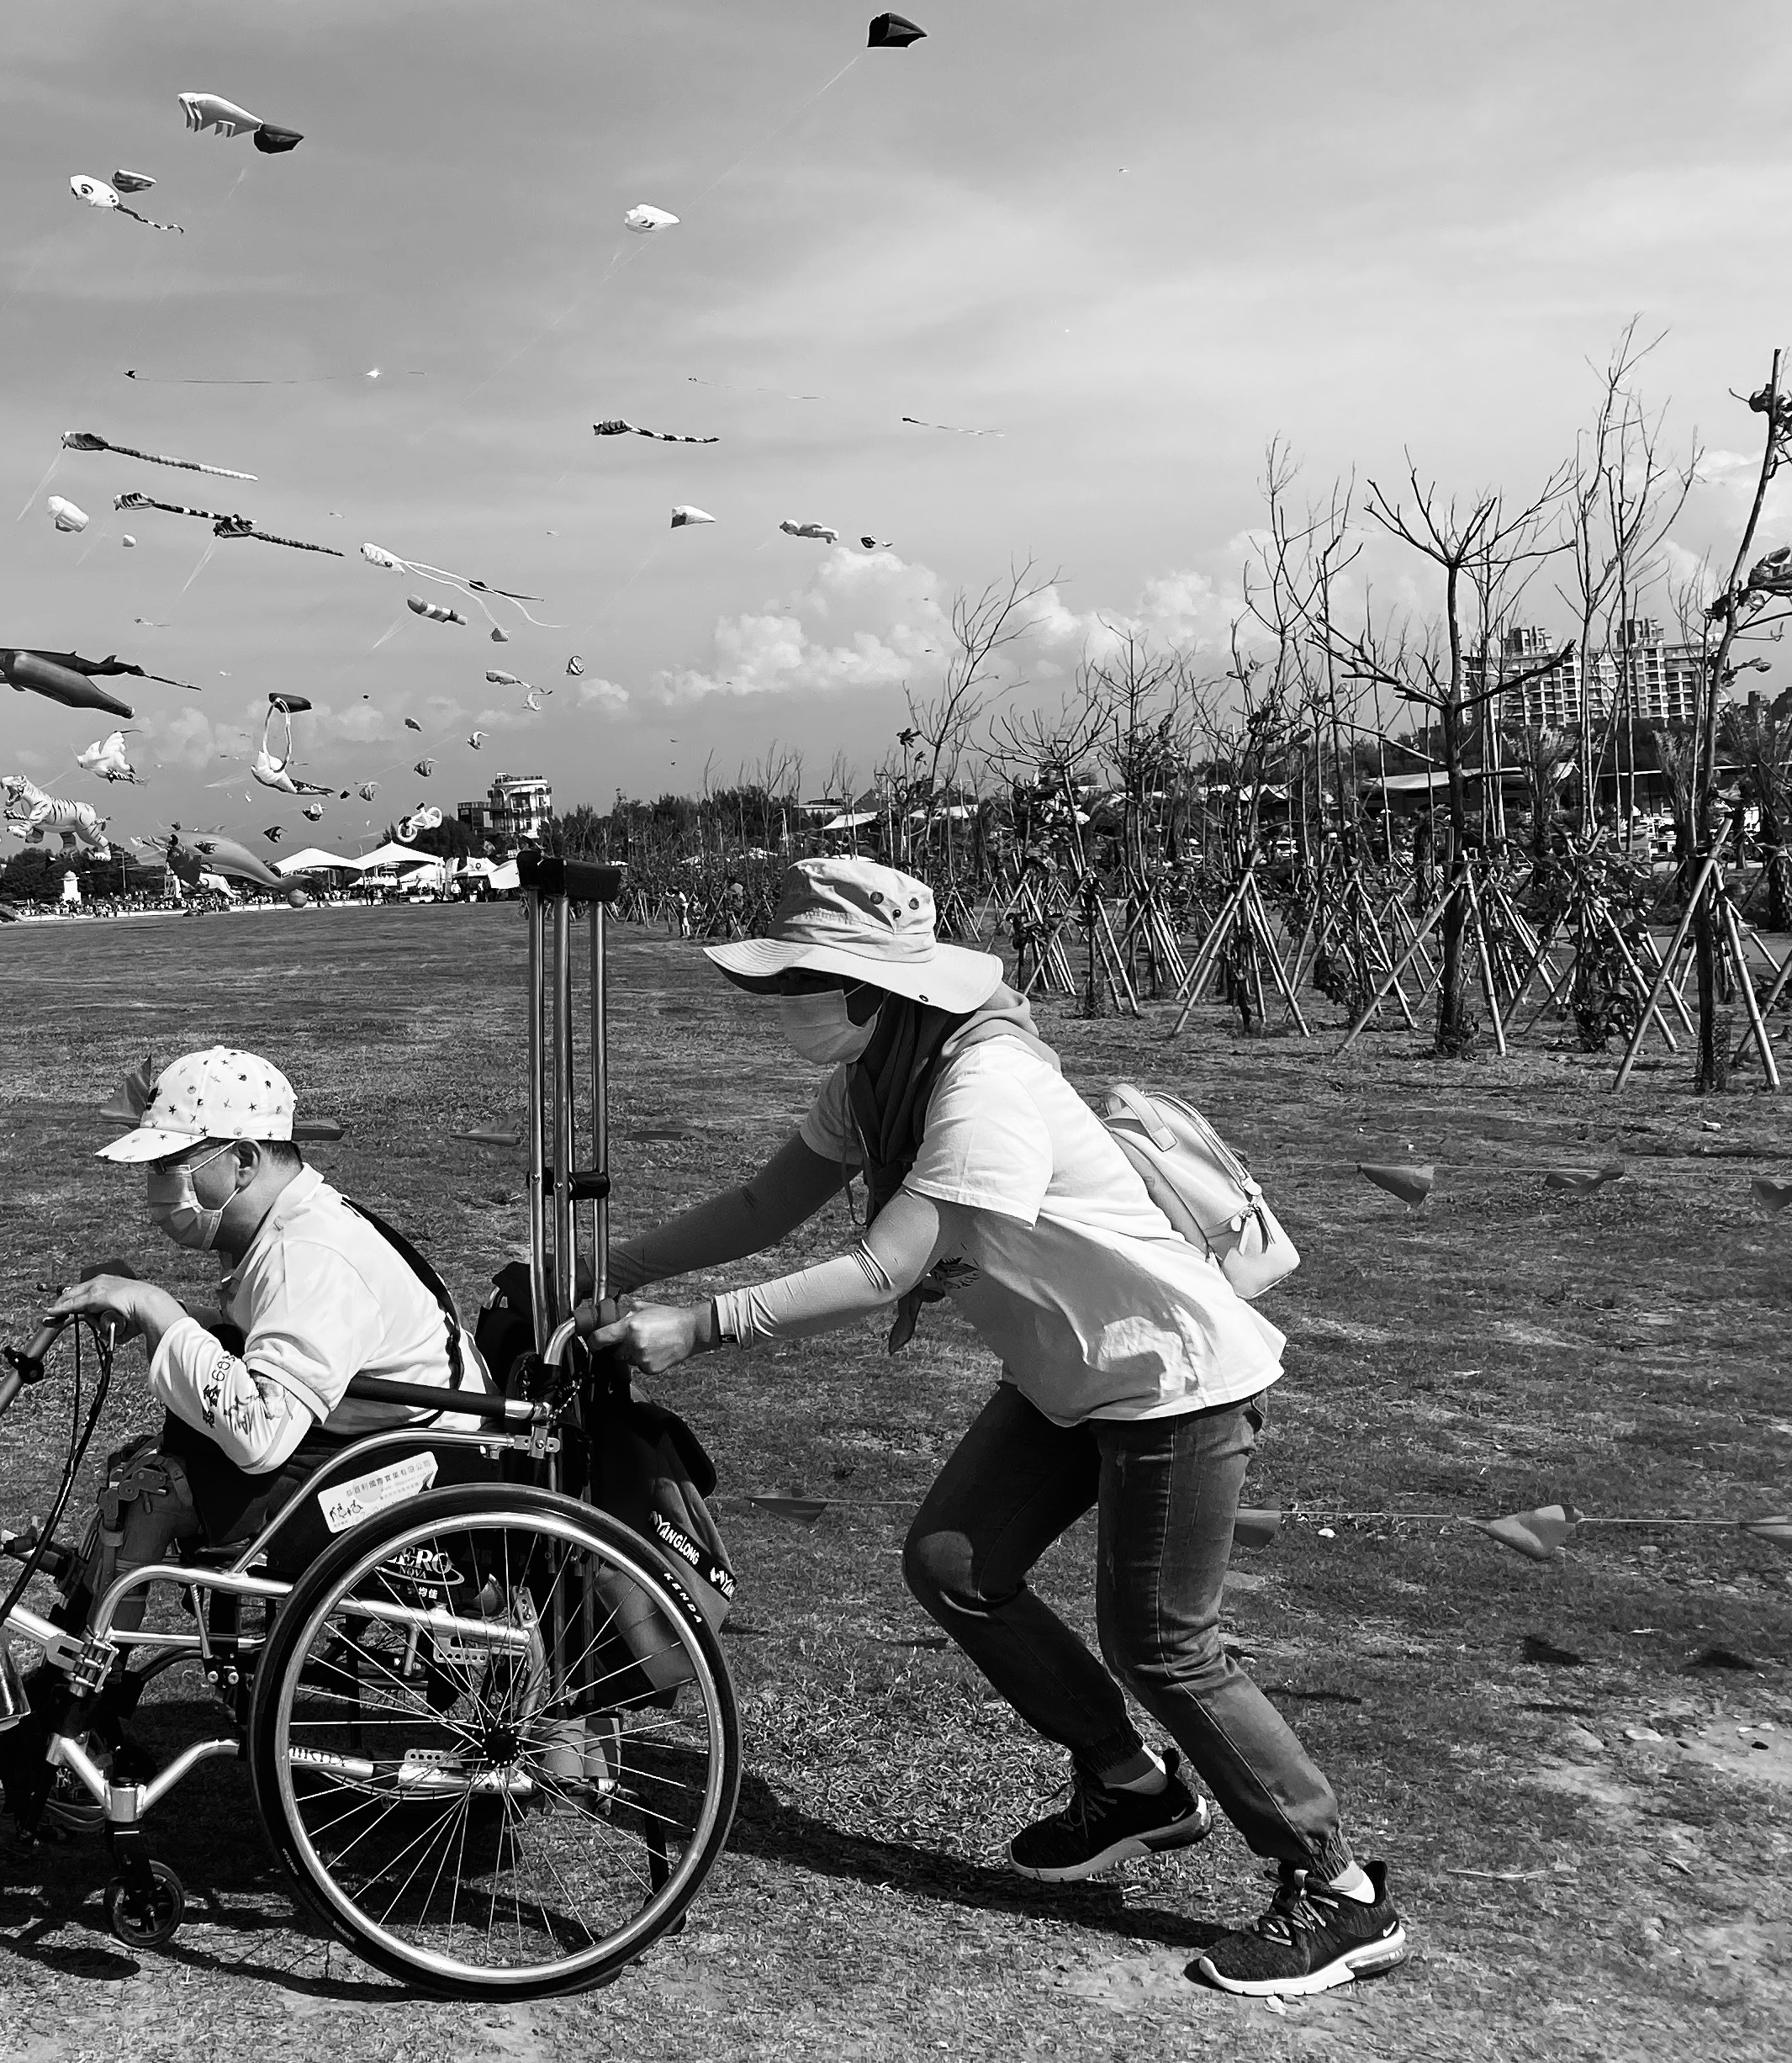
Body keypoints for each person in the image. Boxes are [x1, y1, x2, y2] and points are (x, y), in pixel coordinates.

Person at [580, 858, 1407, 2003]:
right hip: (1071, 1374)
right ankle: (1129, 1784)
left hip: (1170, 1377)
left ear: (878, 987)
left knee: (1164, 1641)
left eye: (804, 983)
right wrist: (599, 1269)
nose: (787, 1007)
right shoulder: (880, 1074)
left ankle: (1336, 1891)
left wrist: (698, 1328)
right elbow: (766, 1207)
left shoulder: (986, 1081)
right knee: (957, 1564)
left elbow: (887, 1267)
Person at [46, 1048, 480, 1625]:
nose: (156, 1187)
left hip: (421, 1469)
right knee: (145, 1471)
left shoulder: (311, 1255)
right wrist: (173, 1315)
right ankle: (86, 1667)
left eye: (169, 1164)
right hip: (372, 1433)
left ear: (243, 1159)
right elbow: (272, 1337)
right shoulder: (295, 1226)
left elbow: (260, 1436)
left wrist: (155, 1308)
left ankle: (85, 1684)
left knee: (153, 1489)